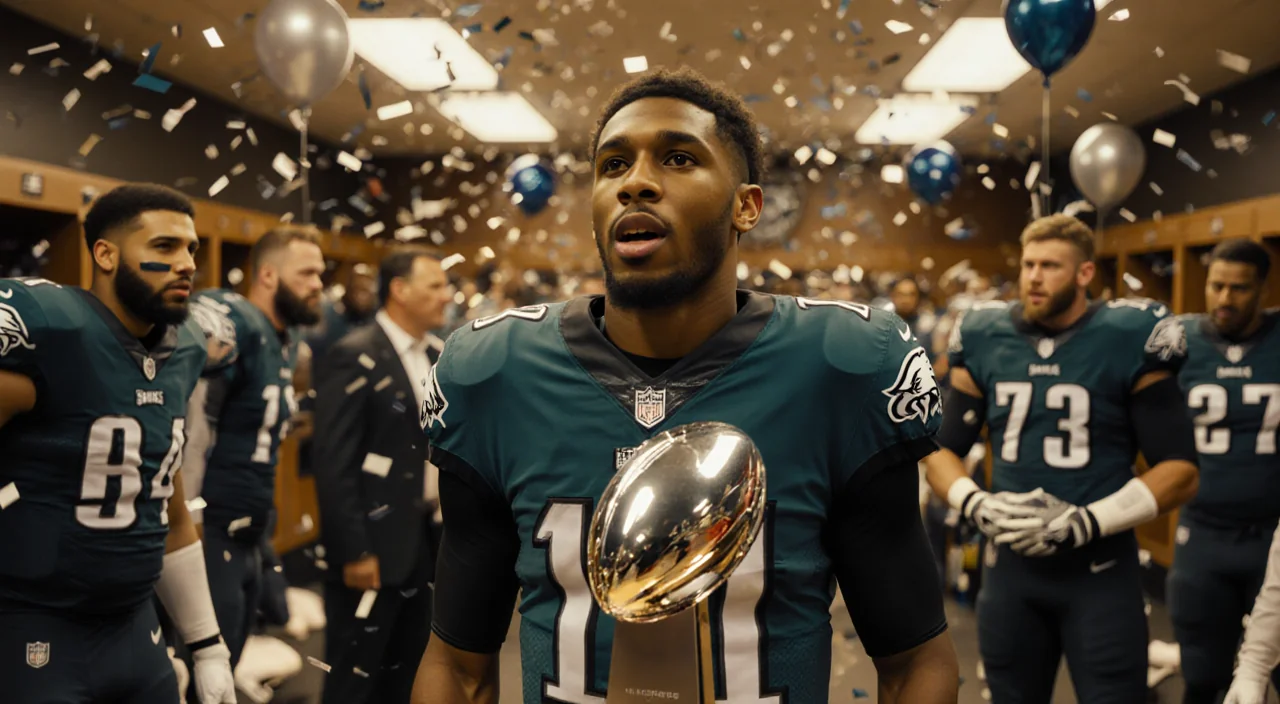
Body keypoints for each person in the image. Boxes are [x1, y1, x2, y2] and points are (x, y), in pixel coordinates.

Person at [412, 66, 959, 704]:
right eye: (611, 165)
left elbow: (916, 662)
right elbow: (457, 666)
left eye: (677, 158)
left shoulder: (841, 370)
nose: (635, 182)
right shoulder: (497, 373)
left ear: (746, 206)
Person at [923, 213, 1200, 703]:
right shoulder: (985, 333)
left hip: (1099, 572)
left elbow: (1180, 471)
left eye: (1050, 265)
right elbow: (942, 450)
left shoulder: (1128, 333)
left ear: (1085, 274)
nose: (1034, 276)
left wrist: (1088, 521)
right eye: (1029, 263)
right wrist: (976, 504)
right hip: (1011, 570)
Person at [0, 184, 236, 703]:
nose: (186, 264)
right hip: (34, 628)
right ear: (104, 254)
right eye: (164, 247)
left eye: (192, 249)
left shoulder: (186, 347)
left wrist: (207, 643)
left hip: (136, 627)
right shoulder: (52, 329)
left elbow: (166, 505)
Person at [182, 226, 325, 666]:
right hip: (211, 524)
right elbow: (201, 324)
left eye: (320, 273)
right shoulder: (237, 318)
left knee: (232, 655)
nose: (318, 284)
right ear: (267, 275)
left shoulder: (286, 338)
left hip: (251, 525)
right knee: (205, 666)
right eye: (306, 273)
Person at [314, 246, 450, 704]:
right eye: (435, 285)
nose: (446, 296)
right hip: (371, 547)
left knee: (408, 670)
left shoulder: (439, 353)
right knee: (355, 677)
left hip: (424, 542)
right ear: (399, 290)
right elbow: (334, 460)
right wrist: (354, 549)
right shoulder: (353, 353)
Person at [1170, 239, 1280, 703]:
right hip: (1204, 534)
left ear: (1262, 288)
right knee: (1201, 675)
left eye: (1239, 288)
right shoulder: (1178, 341)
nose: (1225, 298)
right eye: (1217, 285)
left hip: (1273, 538)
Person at [890, 276, 934, 357]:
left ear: (918, 298)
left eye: (911, 294)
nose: (906, 300)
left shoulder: (928, 326)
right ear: (892, 296)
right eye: (901, 294)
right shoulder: (883, 325)